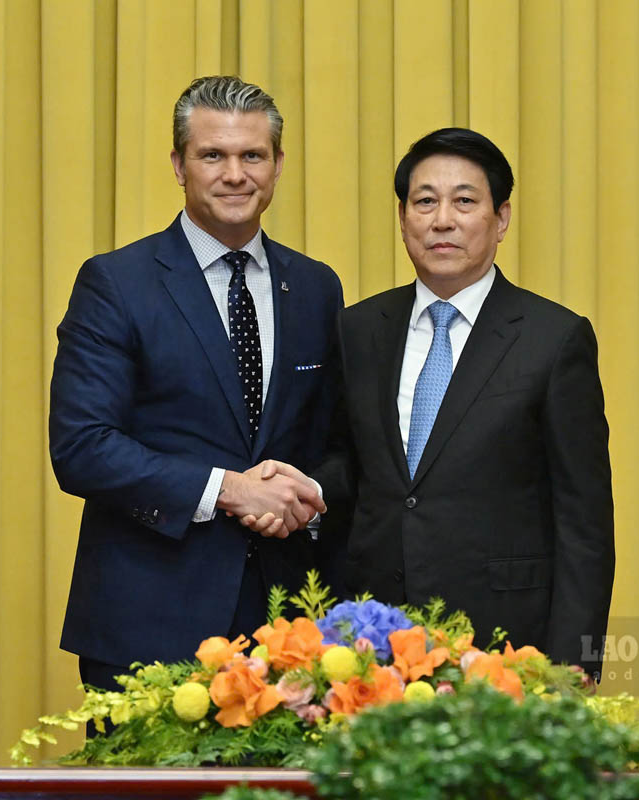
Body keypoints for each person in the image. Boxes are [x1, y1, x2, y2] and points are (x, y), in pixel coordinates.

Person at [248, 128, 614, 680]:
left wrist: (574, 662)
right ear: (403, 220)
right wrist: (310, 488)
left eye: (465, 201)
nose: (442, 219)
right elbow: (350, 458)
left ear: (502, 218)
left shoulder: (554, 338)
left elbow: (584, 518)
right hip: (371, 637)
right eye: (425, 201)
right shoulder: (359, 328)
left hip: (505, 638)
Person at [49, 76, 343, 694]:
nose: (235, 174)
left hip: (289, 633)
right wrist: (230, 490)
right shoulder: (116, 283)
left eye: (252, 156)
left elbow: (338, 440)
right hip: (149, 629)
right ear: (180, 164)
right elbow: (82, 446)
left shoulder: (317, 288)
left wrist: (305, 490)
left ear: (278, 164)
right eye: (213, 155)